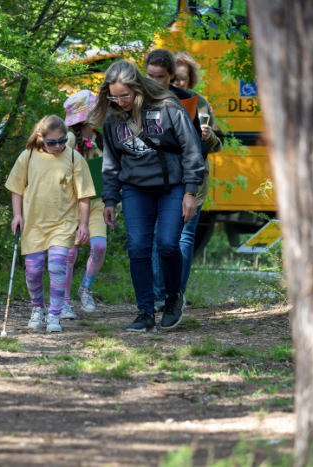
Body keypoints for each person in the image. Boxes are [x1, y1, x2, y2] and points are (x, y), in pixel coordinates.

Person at [88, 60, 207, 333]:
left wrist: (190, 192)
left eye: (124, 96)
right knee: (139, 248)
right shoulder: (112, 117)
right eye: (113, 96)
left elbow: (191, 151)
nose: (119, 101)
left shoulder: (167, 107)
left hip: (172, 187)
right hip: (135, 189)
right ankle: (144, 313)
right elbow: (111, 162)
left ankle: (173, 299)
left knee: (167, 244)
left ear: (138, 88)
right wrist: (109, 199)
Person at [145, 49, 222, 312]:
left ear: (190, 81)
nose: (177, 84)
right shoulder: (148, 100)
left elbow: (217, 145)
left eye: (182, 80)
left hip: (194, 180)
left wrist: (208, 135)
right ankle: (157, 293)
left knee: (184, 237)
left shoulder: (199, 103)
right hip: (160, 179)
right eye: (174, 79)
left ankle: (177, 292)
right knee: (159, 236)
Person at [5, 115, 96, 333]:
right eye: (52, 141)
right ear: (40, 138)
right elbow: (16, 188)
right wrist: (17, 215)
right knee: (33, 271)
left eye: (62, 140)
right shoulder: (27, 157)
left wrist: (84, 225)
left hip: (63, 224)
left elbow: (84, 195)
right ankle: (38, 308)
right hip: (34, 224)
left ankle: (54, 315)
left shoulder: (74, 158)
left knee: (57, 267)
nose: (58, 145)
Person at [61, 90, 107, 317]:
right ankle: (64, 301)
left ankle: (85, 288)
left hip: (96, 204)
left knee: (99, 246)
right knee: (70, 253)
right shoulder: (69, 140)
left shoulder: (100, 141)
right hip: (71, 206)